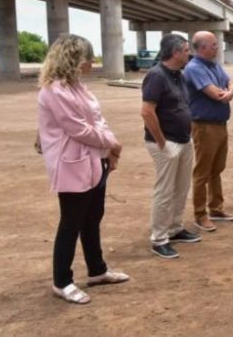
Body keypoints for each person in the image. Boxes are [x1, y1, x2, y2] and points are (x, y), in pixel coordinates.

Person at [38, 34, 128, 304]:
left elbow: (97, 120)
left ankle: (97, 270)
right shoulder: (54, 90)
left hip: (94, 160)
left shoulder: (77, 86)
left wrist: (109, 149)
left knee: (92, 217)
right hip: (72, 165)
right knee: (71, 222)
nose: (92, 63)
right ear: (74, 59)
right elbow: (77, 128)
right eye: (88, 58)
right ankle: (61, 281)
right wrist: (112, 143)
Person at [141, 34, 201, 260]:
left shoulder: (179, 75)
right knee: (165, 191)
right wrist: (162, 143)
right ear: (175, 53)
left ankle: (175, 228)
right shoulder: (156, 76)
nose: (189, 53)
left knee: (181, 187)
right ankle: (159, 238)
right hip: (166, 143)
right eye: (186, 50)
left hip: (184, 140)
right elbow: (147, 111)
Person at [184, 31, 233, 232]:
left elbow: (231, 84)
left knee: (217, 169)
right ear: (202, 48)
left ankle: (216, 208)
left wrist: (230, 91)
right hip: (204, 126)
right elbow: (216, 94)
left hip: (219, 124)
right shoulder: (194, 68)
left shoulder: (214, 65)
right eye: (214, 44)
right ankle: (200, 214)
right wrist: (226, 92)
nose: (218, 47)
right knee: (203, 172)